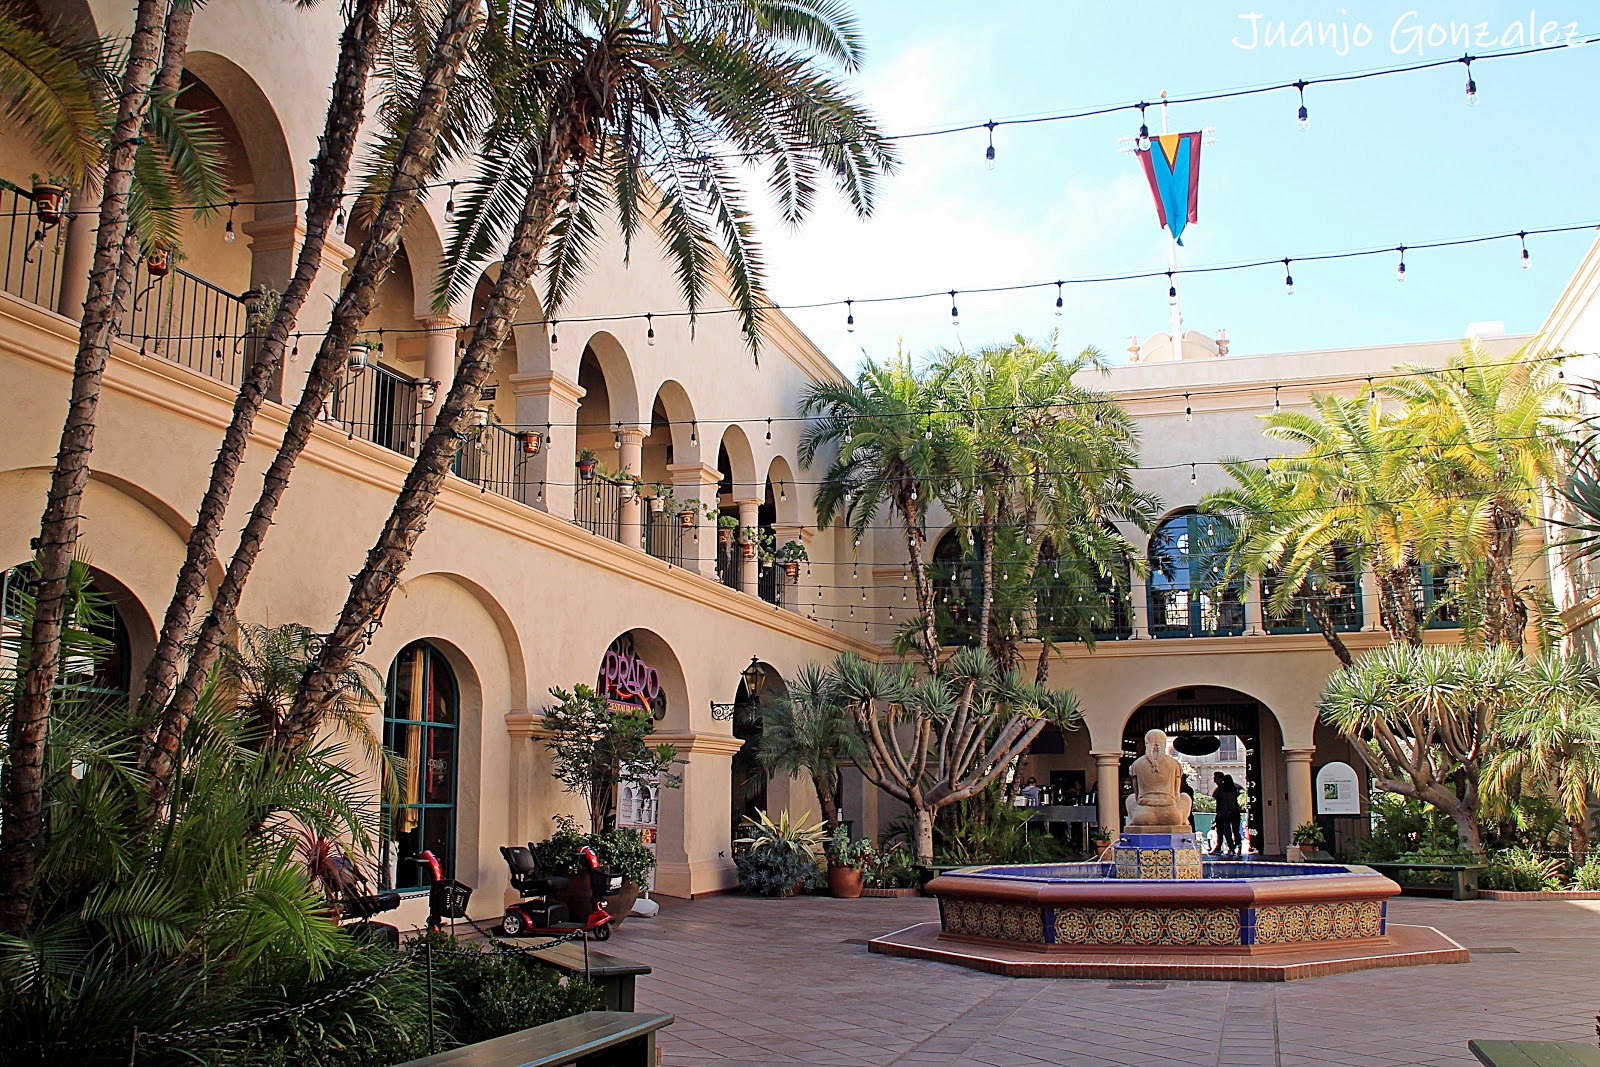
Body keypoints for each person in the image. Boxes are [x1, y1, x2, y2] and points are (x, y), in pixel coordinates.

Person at [1213, 771, 1243, 857]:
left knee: (1227, 831)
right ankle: (1238, 844)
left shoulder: (1220, 790)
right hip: (1235, 811)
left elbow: (1219, 802)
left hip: (1225, 812)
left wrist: (1218, 814)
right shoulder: (1234, 789)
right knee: (1236, 830)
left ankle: (1231, 848)